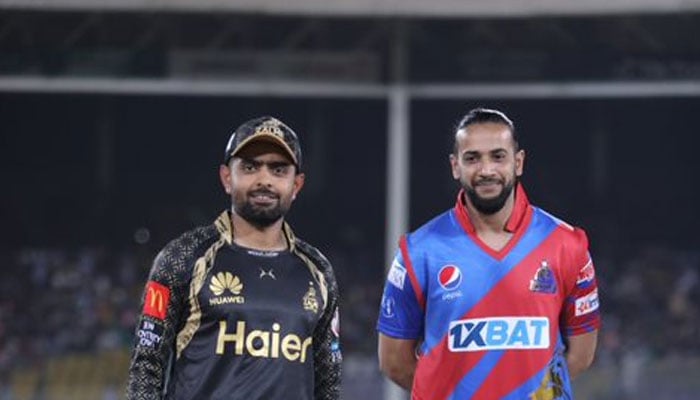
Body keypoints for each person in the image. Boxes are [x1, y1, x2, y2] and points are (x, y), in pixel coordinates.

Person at [376, 108, 600, 399]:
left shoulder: (568, 245)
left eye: (498, 156)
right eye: (472, 158)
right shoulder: (418, 251)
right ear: (455, 166)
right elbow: (394, 362)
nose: (486, 170)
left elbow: (581, 355)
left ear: (518, 162)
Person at [127, 116, 342, 400]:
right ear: (227, 177)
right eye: (250, 167)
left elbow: (328, 384)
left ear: (297, 185)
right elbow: (146, 368)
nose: (264, 180)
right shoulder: (182, 257)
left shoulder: (318, 270)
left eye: (278, 169)